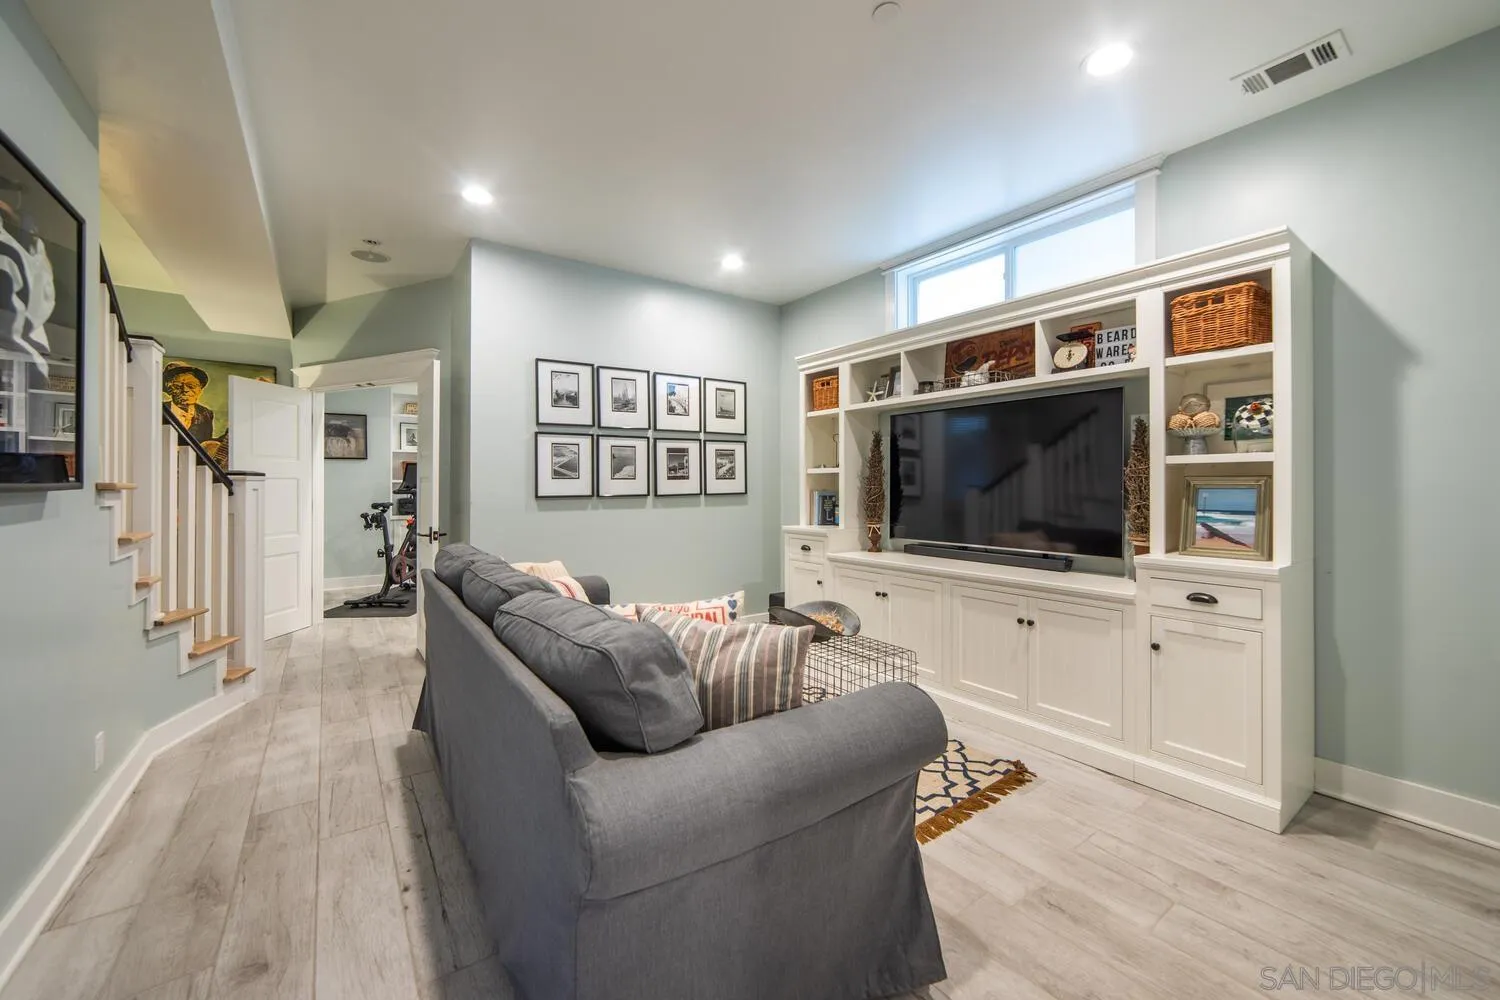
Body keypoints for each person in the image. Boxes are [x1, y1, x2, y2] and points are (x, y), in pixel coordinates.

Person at [162, 362, 225, 459]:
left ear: (200, 389)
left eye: (191, 386)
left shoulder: (205, 413)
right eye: (178, 386)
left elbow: (205, 444)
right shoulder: (161, 410)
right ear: (169, 389)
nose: (185, 390)